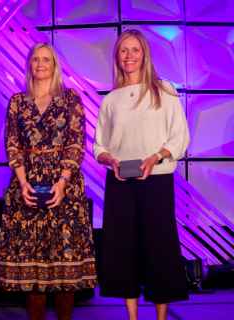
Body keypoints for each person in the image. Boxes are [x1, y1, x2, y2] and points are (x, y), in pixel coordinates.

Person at [0, 42, 98, 320]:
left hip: (64, 187)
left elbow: (77, 143)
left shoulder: (71, 99)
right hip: (26, 186)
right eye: (35, 60)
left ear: (55, 66)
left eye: (46, 60)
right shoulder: (17, 101)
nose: (40, 64)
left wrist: (63, 181)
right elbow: (12, 144)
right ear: (29, 64)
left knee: (63, 257)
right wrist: (22, 182)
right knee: (33, 257)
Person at [93, 29, 190, 320]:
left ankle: (161, 317)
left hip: (157, 179)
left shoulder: (165, 89)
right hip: (121, 181)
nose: (129, 55)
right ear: (117, 58)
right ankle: (132, 317)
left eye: (135, 49)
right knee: (123, 248)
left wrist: (155, 157)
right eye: (123, 50)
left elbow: (179, 138)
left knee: (159, 247)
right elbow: (99, 145)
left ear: (144, 54)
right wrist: (110, 160)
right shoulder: (111, 99)